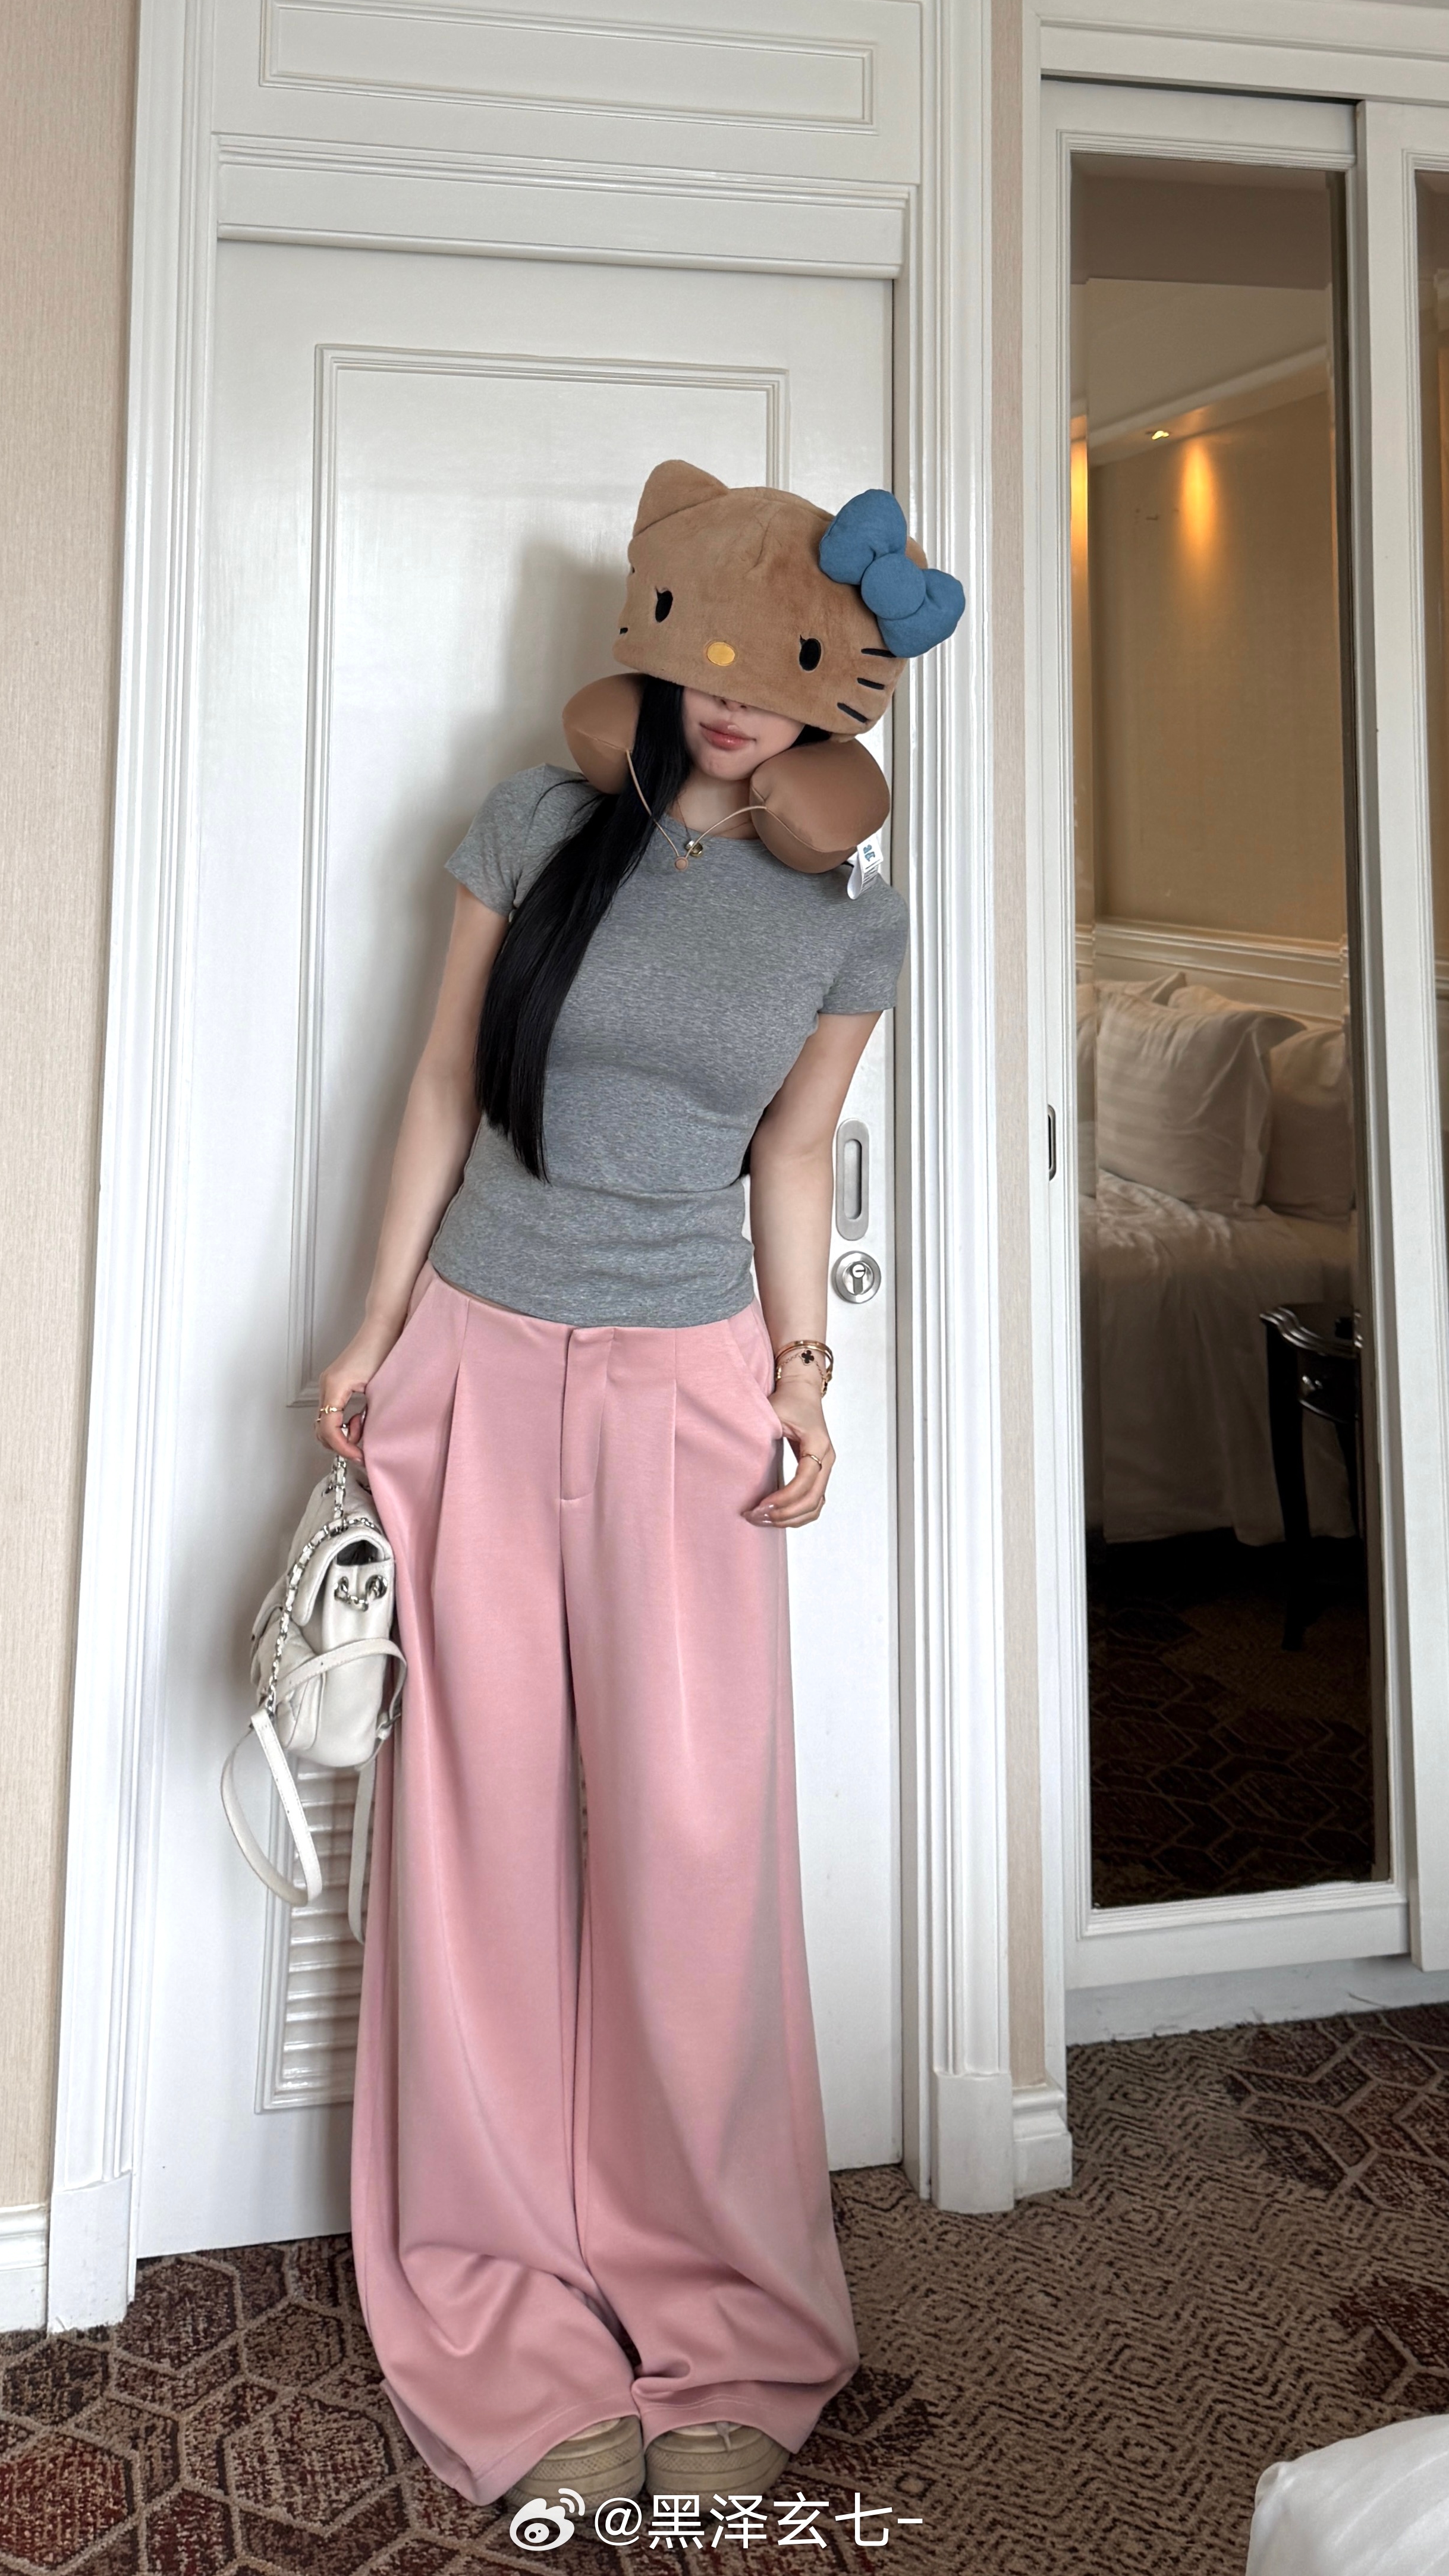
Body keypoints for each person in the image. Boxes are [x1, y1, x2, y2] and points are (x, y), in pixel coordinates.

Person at [314, 456, 964, 2521]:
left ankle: (722, 2311)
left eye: (786, 665)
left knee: (695, 1847)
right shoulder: (540, 828)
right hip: (478, 1358)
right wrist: (368, 1332)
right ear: (661, 638)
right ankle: (503, 2306)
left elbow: (796, 1154)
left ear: (842, 680)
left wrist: (803, 1376)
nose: (738, 697)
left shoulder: (850, 925)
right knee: (481, 1836)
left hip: (688, 1392)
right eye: (711, 652)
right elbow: (440, 1078)